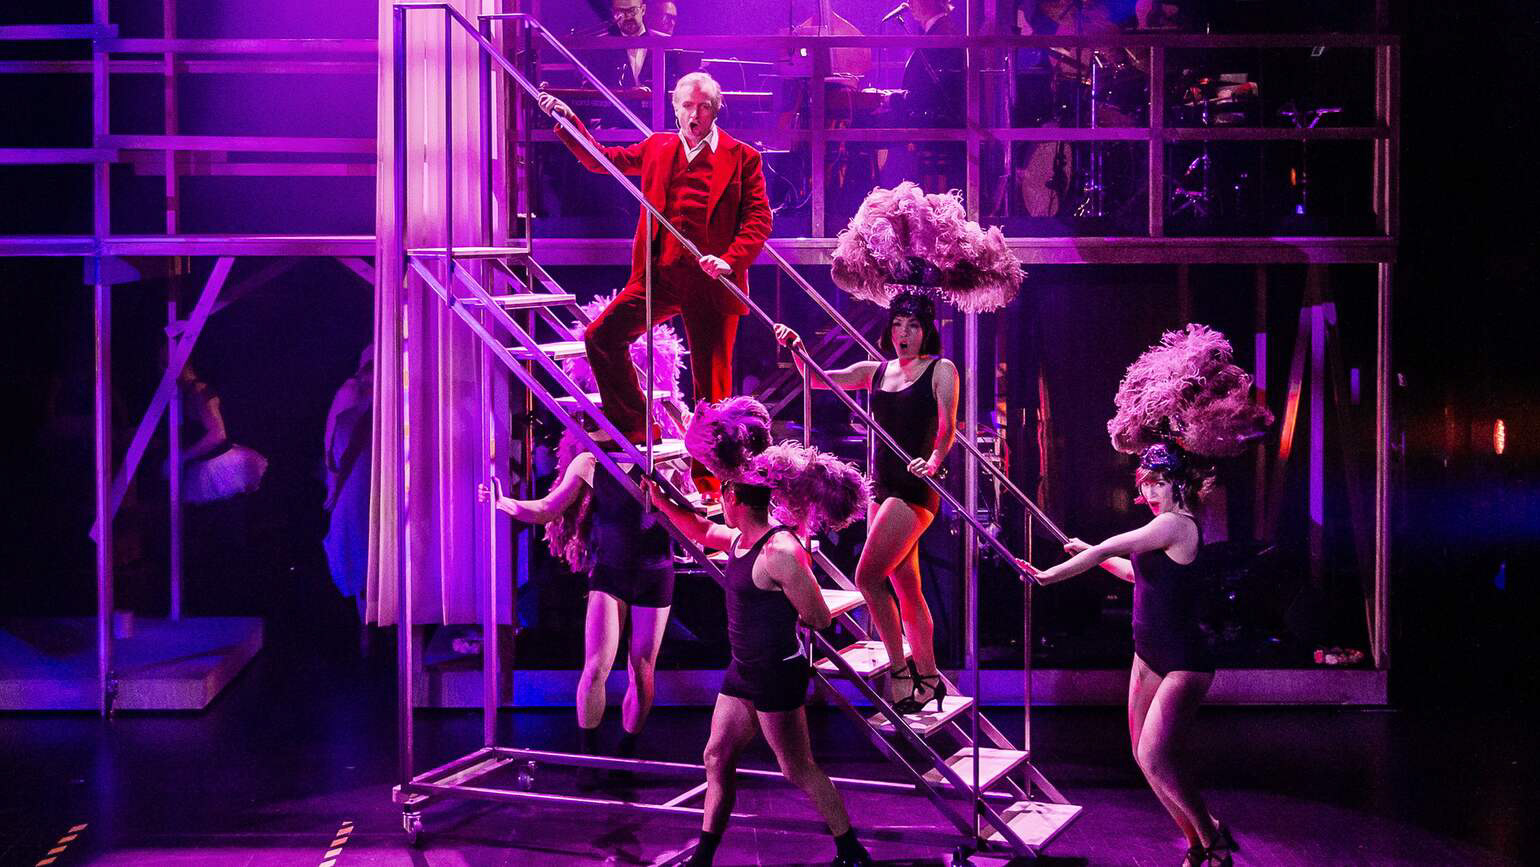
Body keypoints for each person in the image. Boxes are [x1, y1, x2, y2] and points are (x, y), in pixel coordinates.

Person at [648, 398, 873, 867]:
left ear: (734, 499)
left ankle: (851, 851)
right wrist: (660, 500)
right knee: (716, 757)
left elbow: (819, 618)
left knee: (796, 768)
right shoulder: (737, 539)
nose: (717, 504)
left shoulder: (781, 552)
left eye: (721, 497)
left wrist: (790, 601)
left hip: (776, 675)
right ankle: (704, 857)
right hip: (744, 671)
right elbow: (696, 528)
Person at [537, 71, 773, 497]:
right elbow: (601, 159)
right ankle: (635, 424)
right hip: (660, 276)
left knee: (712, 390)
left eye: (704, 106)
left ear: (716, 110)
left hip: (712, 282)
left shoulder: (742, 157)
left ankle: (712, 484)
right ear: (675, 107)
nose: (695, 114)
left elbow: (759, 219)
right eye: (688, 105)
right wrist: (569, 123)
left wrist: (729, 259)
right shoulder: (658, 147)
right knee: (601, 336)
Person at [1019, 444, 1234, 867]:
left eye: (1160, 483)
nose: (1151, 492)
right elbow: (1135, 573)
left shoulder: (1176, 524)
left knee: (1155, 756)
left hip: (1184, 660)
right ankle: (1196, 841)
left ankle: (1212, 839)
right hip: (1148, 653)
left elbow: (1107, 548)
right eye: (1146, 483)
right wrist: (1090, 553)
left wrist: (1049, 576)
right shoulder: (1160, 529)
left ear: (1179, 485)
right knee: (1143, 758)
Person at [773, 291, 959, 715]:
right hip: (881, 486)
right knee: (907, 587)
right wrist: (797, 347)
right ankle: (930, 678)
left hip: (914, 487)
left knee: (868, 576)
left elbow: (948, 427)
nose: (904, 333)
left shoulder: (941, 369)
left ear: (926, 330)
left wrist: (934, 461)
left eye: (913, 326)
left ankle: (900, 672)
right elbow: (816, 378)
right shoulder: (875, 371)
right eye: (898, 325)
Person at [485, 431, 676, 786]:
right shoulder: (589, 462)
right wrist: (506, 504)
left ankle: (625, 755)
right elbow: (548, 507)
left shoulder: (661, 459)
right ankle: (588, 757)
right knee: (595, 666)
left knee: (641, 670)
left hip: (654, 573)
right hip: (610, 574)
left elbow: (689, 506)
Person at [322, 345, 374, 621]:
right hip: (356, 478)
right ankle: (366, 628)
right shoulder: (352, 391)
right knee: (358, 548)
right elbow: (335, 442)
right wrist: (335, 483)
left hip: (369, 476)